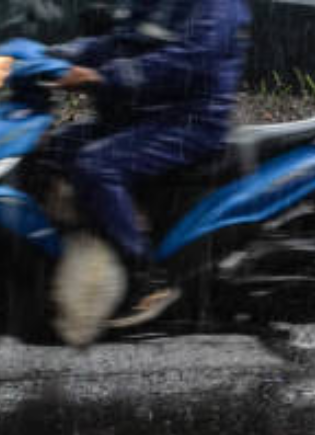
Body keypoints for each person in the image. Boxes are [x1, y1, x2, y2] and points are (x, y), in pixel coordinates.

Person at [39, 0, 251, 341]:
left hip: (190, 121)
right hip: (146, 115)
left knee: (97, 166)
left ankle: (145, 280)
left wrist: (102, 76)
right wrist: (54, 55)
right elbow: (116, 43)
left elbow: (192, 59)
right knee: (54, 150)